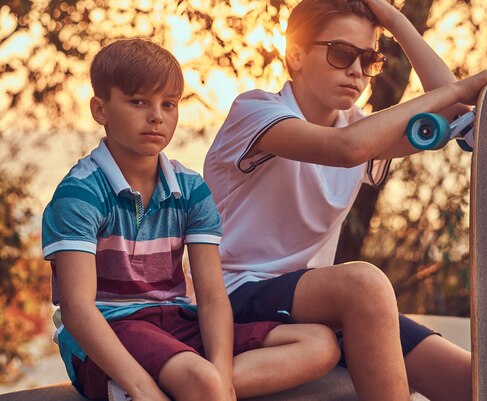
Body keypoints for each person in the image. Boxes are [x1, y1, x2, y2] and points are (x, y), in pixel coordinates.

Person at [203, 0, 487, 401]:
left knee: (476, 384)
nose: (356, 70)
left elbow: (458, 117)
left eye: (369, 59)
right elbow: (346, 149)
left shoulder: (360, 126)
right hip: (232, 294)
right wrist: (459, 89)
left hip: (313, 302)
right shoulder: (256, 112)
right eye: (340, 53)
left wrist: (395, 21)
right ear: (295, 54)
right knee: (364, 284)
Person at [41, 38, 340, 401]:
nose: (157, 116)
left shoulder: (190, 189)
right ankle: (171, 386)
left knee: (319, 343)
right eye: (138, 101)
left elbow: (212, 296)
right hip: (110, 330)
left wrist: (222, 375)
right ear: (100, 110)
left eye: (168, 104)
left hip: (177, 322)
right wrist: (143, 388)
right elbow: (77, 308)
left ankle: (199, 387)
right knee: (198, 377)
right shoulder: (80, 194)